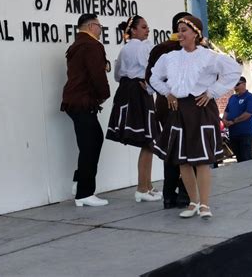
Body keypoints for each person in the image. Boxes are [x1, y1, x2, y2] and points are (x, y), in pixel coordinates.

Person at [150, 15, 241, 219]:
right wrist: (168, 93)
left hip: (200, 109)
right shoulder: (170, 57)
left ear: (195, 34)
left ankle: (205, 204)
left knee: (201, 160)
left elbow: (234, 71)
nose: (180, 33)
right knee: (183, 160)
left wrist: (211, 92)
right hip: (178, 109)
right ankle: (193, 202)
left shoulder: (209, 57)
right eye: (178, 30)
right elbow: (154, 77)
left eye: (184, 30)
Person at [106, 15, 161, 203]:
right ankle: (142, 188)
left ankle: (146, 185)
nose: (147, 30)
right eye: (144, 27)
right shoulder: (142, 46)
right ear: (134, 30)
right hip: (139, 92)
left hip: (127, 92)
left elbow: (117, 75)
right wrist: (153, 88)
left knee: (149, 141)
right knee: (148, 141)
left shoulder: (125, 49)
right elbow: (151, 70)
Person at [61, 13, 111, 207]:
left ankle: (79, 182)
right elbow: (96, 74)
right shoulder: (92, 45)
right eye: (99, 26)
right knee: (90, 144)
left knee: (91, 141)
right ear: (91, 26)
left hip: (74, 101)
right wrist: (104, 94)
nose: (101, 30)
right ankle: (85, 192)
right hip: (82, 101)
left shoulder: (76, 45)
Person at [145, 11, 191, 209]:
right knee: (189, 151)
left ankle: (168, 195)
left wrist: (165, 94)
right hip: (187, 108)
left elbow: (149, 78)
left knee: (171, 149)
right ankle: (185, 192)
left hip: (164, 107)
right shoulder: (189, 49)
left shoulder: (159, 48)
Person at [223, 76, 252, 162]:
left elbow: (248, 114)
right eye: (234, 84)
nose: (235, 86)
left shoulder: (250, 97)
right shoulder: (232, 98)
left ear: (244, 84)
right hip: (233, 133)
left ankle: (249, 174)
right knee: (239, 158)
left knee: (246, 157)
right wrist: (224, 120)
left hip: (245, 133)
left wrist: (233, 121)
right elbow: (227, 111)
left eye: (237, 84)